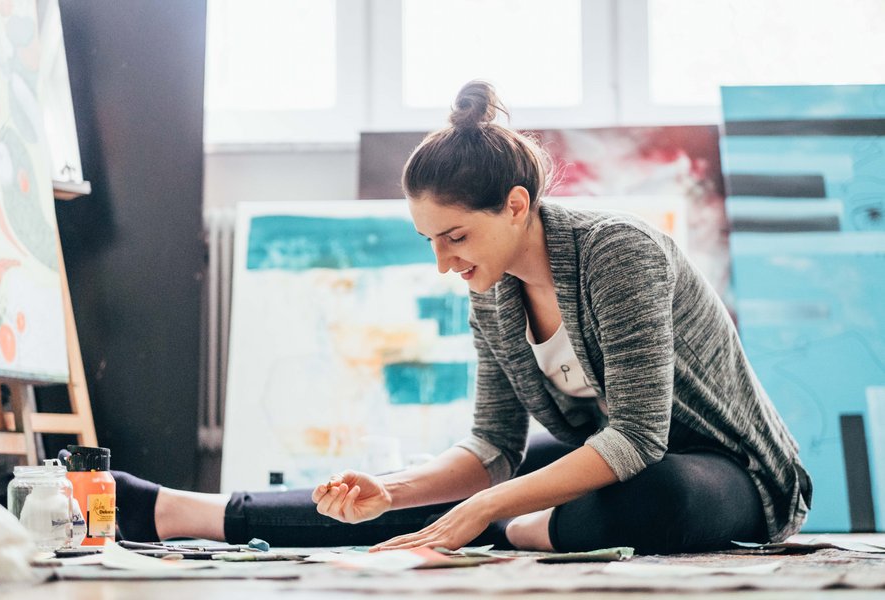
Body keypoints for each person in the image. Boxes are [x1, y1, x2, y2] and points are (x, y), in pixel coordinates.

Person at [110, 81, 811, 555]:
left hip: (726, 471)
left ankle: (512, 530)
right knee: (458, 490)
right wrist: (396, 490)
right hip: (612, 458)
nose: (444, 263)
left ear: (514, 204)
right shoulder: (492, 289)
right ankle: (184, 511)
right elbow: (491, 447)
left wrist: (488, 508)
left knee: (648, 496)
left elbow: (637, 439)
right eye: (431, 242)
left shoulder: (618, 254)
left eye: (456, 237)